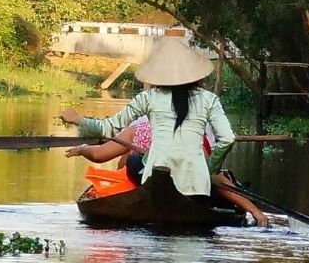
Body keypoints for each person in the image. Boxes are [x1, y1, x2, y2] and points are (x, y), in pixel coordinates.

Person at [59, 37, 269, 226]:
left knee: (133, 161)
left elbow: (108, 128)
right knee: (207, 178)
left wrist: (78, 119)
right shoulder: (209, 99)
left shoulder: (148, 98)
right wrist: (210, 169)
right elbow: (227, 139)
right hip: (198, 187)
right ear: (195, 75)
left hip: (155, 179)